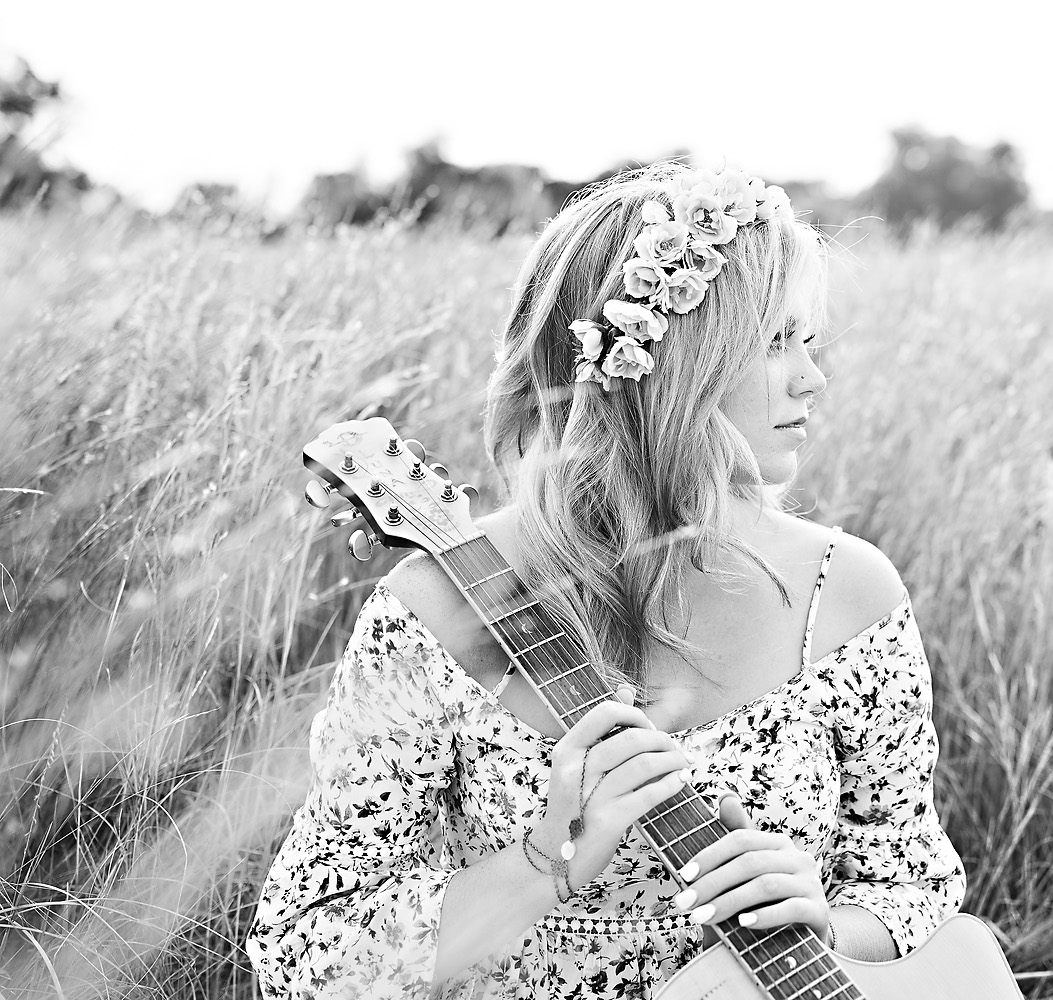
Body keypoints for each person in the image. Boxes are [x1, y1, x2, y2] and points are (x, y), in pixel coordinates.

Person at [247, 163, 966, 999]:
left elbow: (913, 882)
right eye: (775, 342)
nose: (812, 377)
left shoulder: (849, 594)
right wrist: (538, 864)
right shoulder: (430, 618)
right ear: (669, 365)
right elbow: (302, 963)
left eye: (809, 342)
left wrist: (821, 921)